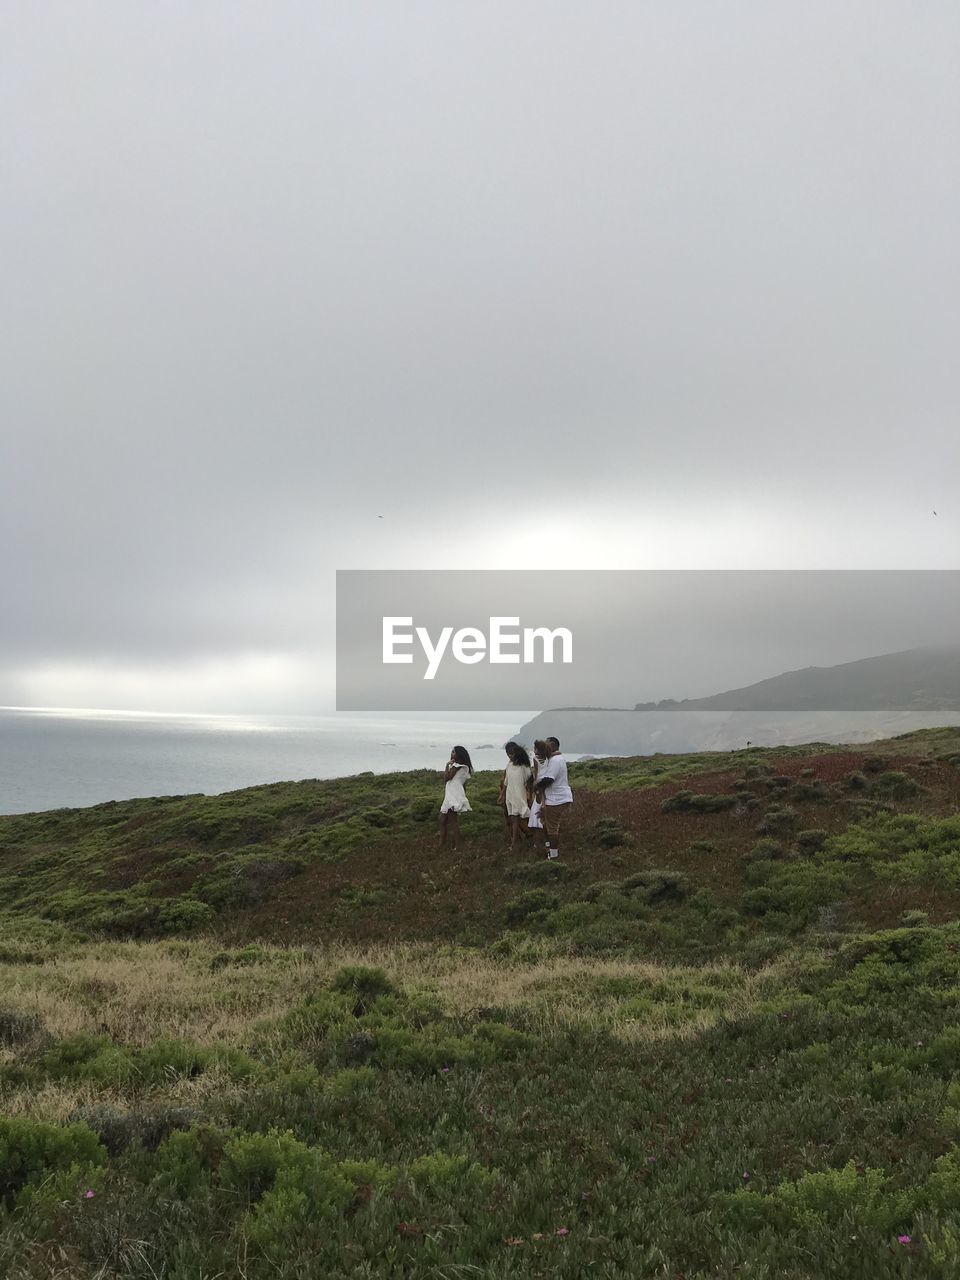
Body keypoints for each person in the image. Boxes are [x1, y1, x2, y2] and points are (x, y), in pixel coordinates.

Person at [535, 736, 573, 860]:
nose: (546, 747)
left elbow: (549, 779)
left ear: (555, 746)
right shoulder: (554, 759)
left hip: (556, 799)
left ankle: (553, 855)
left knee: (552, 828)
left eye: (548, 745)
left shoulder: (556, 760)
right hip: (555, 798)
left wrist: (536, 786)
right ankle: (549, 849)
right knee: (547, 823)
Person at [498, 741, 533, 851]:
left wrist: (529, 795)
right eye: (508, 754)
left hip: (520, 794)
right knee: (514, 819)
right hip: (510, 795)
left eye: (511, 754)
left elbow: (529, 781)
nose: (510, 756)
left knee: (528, 816)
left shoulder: (524, 766)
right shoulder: (509, 765)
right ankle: (514, 843)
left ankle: (537, 837)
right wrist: (502, 795)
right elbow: (506, 782)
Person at [438, 745, 473, 851]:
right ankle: (442, 843)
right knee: (442, 819)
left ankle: (458, 845)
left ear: (458, 754)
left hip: (452, 794)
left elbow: (447, 778)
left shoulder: (457, 766)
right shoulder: (464, 767)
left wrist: (446, 765)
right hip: (453, 793)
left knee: (453, 821)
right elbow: (463, 784)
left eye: (453, 752)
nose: (451, 754)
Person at [527, 740, 549, 844]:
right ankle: (545, 841)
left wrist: (534, 784)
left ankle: (538, 842)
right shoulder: (549, 759)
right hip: (547, 782)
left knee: (537, 805)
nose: (534, 750)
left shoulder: (535, 759)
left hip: (540, 784)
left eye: (535, 748)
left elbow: (536, 773)